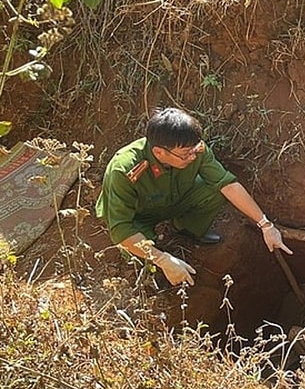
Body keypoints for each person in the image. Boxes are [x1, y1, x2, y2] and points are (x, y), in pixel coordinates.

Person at [96, 107, 292, 286]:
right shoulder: (124, 169)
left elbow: (227, 184)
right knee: (143, 256)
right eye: (185, 154)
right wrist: (163, 259)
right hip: (138, 217)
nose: (192, 157)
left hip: (174, 200)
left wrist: (266, 225)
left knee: (215, 189)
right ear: (159, 152)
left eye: (194, 151)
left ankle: (186, 228)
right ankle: (158, 267)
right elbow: (121, 229)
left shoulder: (194, 149)